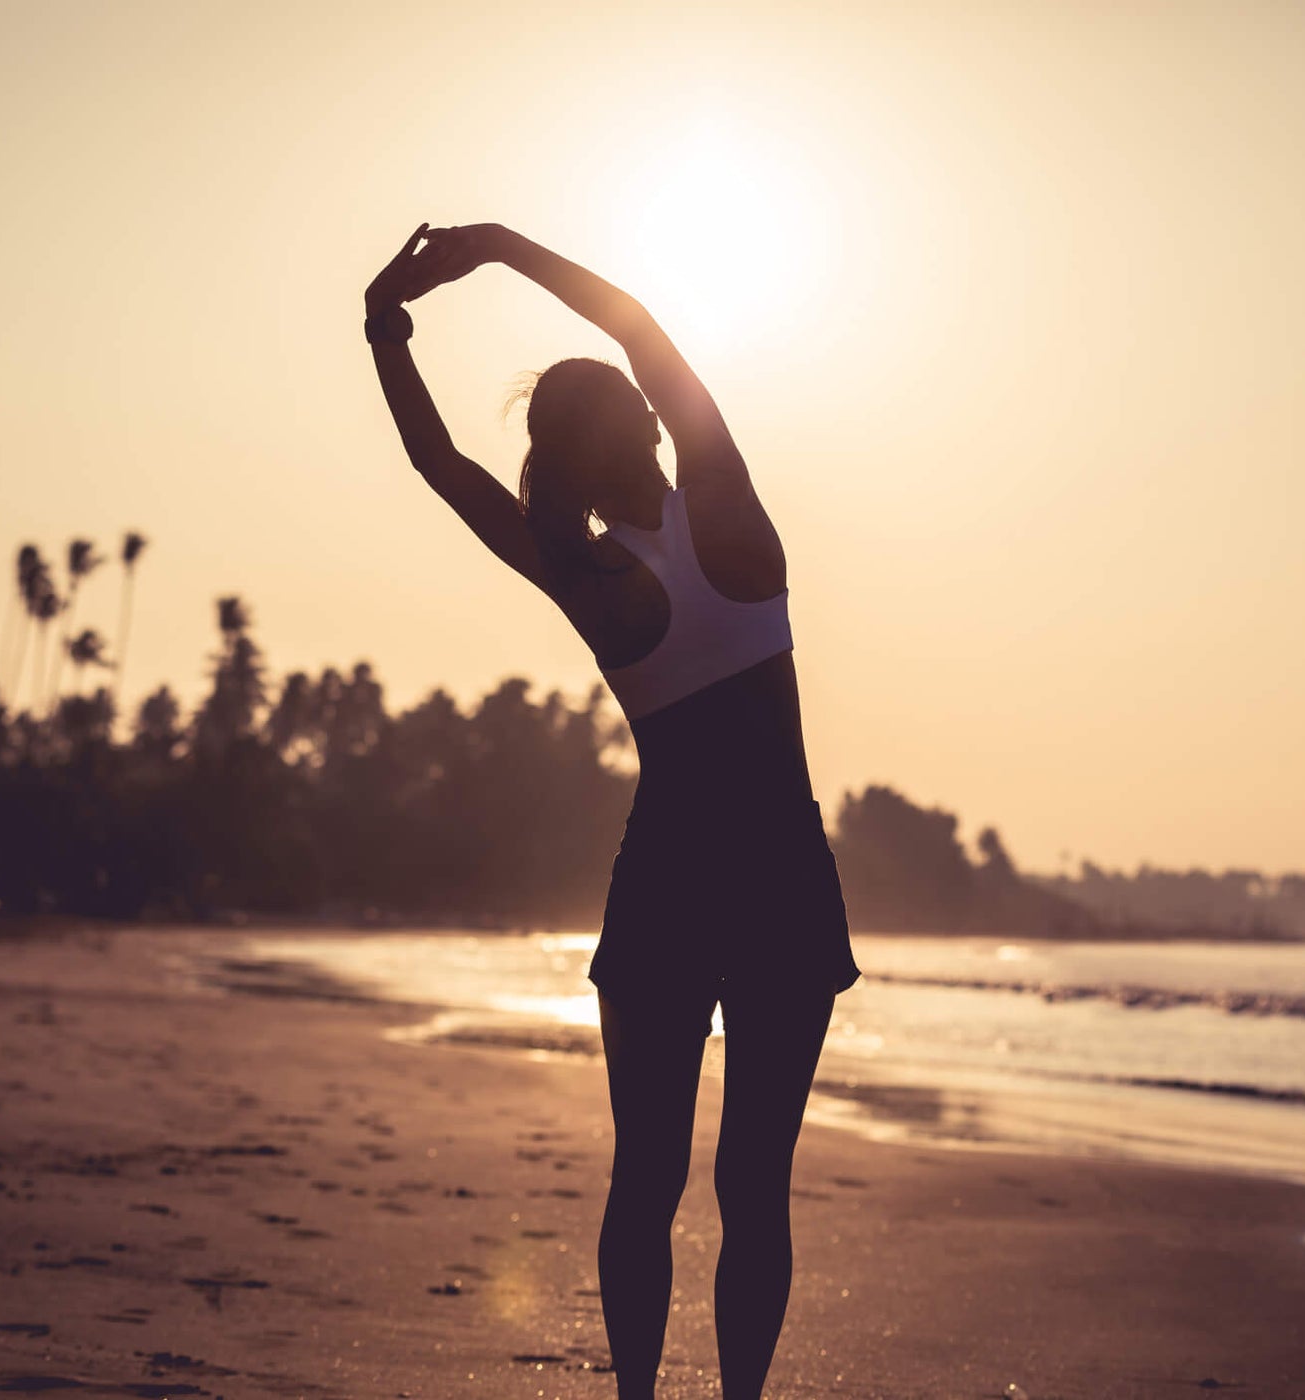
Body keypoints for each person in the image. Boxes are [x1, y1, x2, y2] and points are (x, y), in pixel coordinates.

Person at [364, 222, 860, 1400]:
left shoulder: (583, 570)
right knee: (734, 1183)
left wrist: (388, 326)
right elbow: (629, 326)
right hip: (775, 878)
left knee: (662, 1179)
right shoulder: (723, 506)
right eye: (633, 413)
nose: (648, 415)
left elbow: (445, 463)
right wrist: (495, 251)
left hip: (678, 887)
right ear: (633, 431)